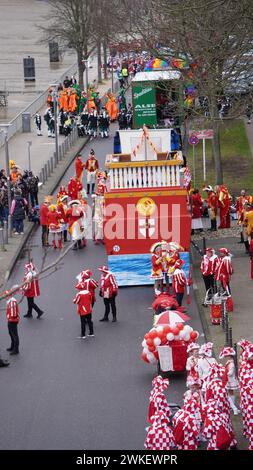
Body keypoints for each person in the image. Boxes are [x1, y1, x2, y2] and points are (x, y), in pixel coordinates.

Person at [219, 347, 240, 415]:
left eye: (226, 355)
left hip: (230, 380)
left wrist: (224, 372)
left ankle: (232, 405)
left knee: (230, 392)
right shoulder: (229, 362)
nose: (225, 356)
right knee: (230, 392)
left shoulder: (231, 364)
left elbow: (231, 373)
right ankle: (232, 405)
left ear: (229, 356)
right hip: (229, 380)